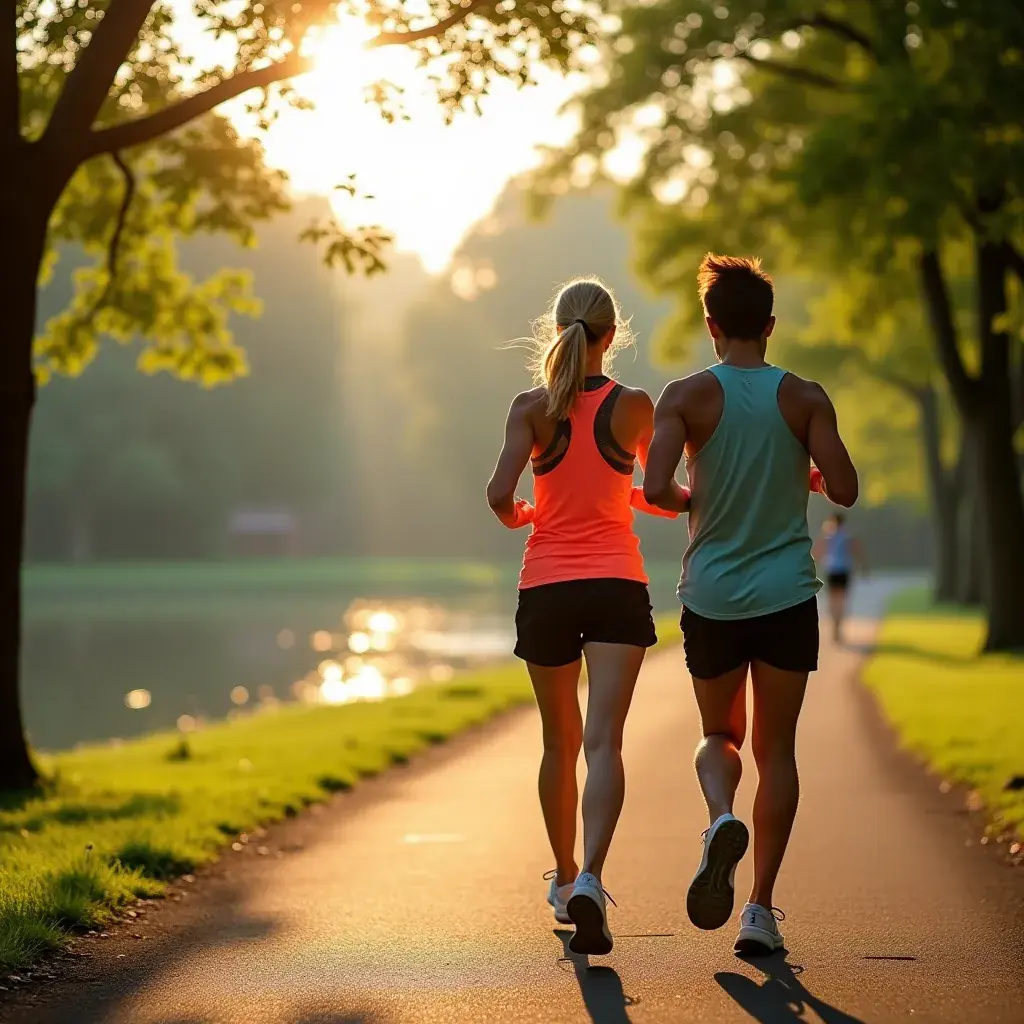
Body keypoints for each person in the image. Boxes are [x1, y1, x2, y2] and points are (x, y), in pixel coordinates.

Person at [643, 254, 858, 956]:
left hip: (710, 597)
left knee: (720, 737)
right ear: (769, 325)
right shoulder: (804, 397)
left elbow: (656, 488)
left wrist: (694, 500)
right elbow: (847, 489)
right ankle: (760, 910)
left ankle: (717, 818)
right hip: (786, 596)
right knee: (778, 749)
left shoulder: (685, 396)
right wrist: (816, 471)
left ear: (712, 327)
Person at [486, 277, 687, 956]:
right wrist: (640, 498)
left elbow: (498, 495)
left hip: (546, 586)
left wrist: (526, 515)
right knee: (605, 743)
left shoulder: (530, 407)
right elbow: (661, 494)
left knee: (558, 744)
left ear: (557, 328)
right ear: (612, 333)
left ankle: (564, 874)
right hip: (615, 585)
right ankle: (593, 881)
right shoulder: (635, 406)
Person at [813, 513, 866, 645]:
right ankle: (838, 628)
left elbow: (816, 552)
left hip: (831, 570)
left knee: (832, 601)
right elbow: (857, 550)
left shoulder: (828, 535)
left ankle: (834, 628)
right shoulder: (847, 536)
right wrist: (864, 566)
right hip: (844, 570)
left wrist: (818, 562)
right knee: (841, 600)